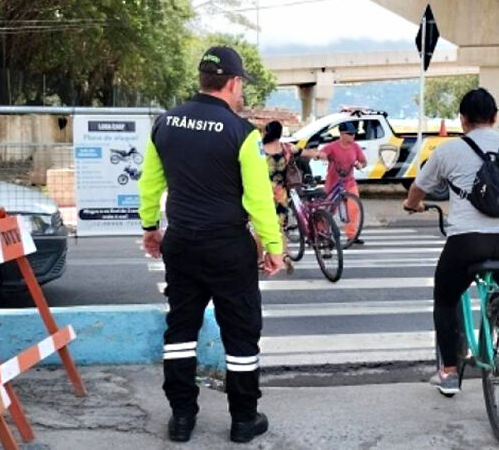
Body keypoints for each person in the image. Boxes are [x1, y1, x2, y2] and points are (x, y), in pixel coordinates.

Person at [138, 46, 283, 444]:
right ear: (233, 82)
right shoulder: (242, 133)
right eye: (241, 87)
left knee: (181, 329)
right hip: (228, 247)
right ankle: (243, 420)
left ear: (202, 79)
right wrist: (273, 246)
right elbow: (258, 199)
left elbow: (150, 183)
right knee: (240, 332)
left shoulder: (164, 124)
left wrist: (151, 227)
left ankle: (182, 418)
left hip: (181, 243)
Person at [403, 88, 499, 395]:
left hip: (467, 242)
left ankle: (449, 371)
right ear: (495, 118)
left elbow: (417, 190)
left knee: (445, 298)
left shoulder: (448, 151)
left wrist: (412, 205)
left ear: (462, 120)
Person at [261, 120, 322, 271]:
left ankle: (262, 259)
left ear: (267, 132)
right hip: (281, 192)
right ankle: (284, 254)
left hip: (263, 191)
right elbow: (303, 152)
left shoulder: (259, 149)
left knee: (261, 226)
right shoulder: (286, 148)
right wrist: (318, 154)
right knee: (280, 225)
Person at [322, 121, 367, 245]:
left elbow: (364, 161)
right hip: (333, 183)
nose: (353, 136)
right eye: (350, 134)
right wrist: (322, 156)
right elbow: (322, 153)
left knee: (353, 208)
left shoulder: (355, 147)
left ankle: (352, 235)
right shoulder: (333, 146)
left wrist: (359, 165)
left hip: (349, 182)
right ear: (342, 134)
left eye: (354, 134)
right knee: (329, 209)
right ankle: (323, 233)